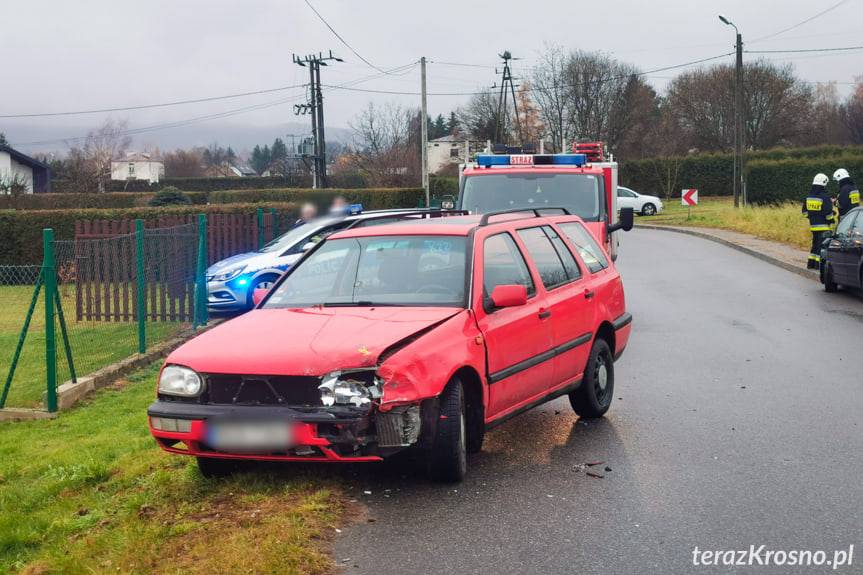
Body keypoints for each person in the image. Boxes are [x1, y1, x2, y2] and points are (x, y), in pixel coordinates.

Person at [802, 173, 835, 269]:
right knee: (821, 247)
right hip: (824, 226)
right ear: (823, 184)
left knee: (815, 244)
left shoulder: (809, 196)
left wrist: (812, 217)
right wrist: (832, 220)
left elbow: (804, 212)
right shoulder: (825, 197)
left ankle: (811, 264)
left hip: (813, 226)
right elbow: (828, 213)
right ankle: (818, 266)